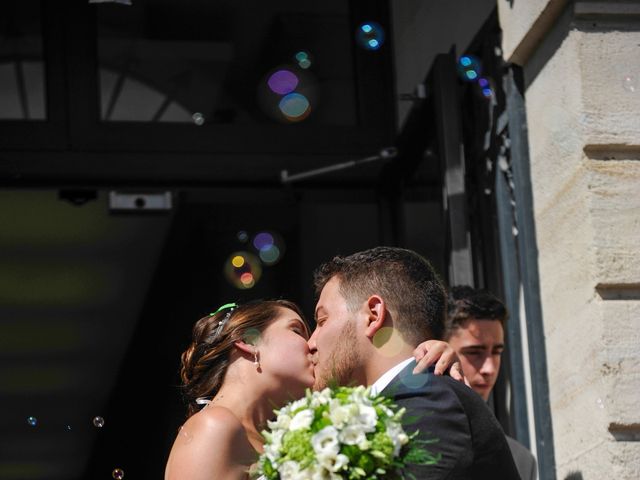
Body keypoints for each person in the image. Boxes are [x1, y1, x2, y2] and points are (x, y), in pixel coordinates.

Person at [165, 299, 460, 479]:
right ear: (248, 340)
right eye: (297, 330)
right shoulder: (214, 426)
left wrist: (421, 358)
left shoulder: (292, 432)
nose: (312, 344)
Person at [308, 246, 521, 479]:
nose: (311, 342)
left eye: (321, 320)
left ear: (373, 315)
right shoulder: (421, 395)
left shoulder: (431, 400)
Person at [445, 286, 537, 480]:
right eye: (474, 352)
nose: (489, 368)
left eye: (496, 352)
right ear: (440, 350)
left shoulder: (520, 459)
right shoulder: (400, 434)